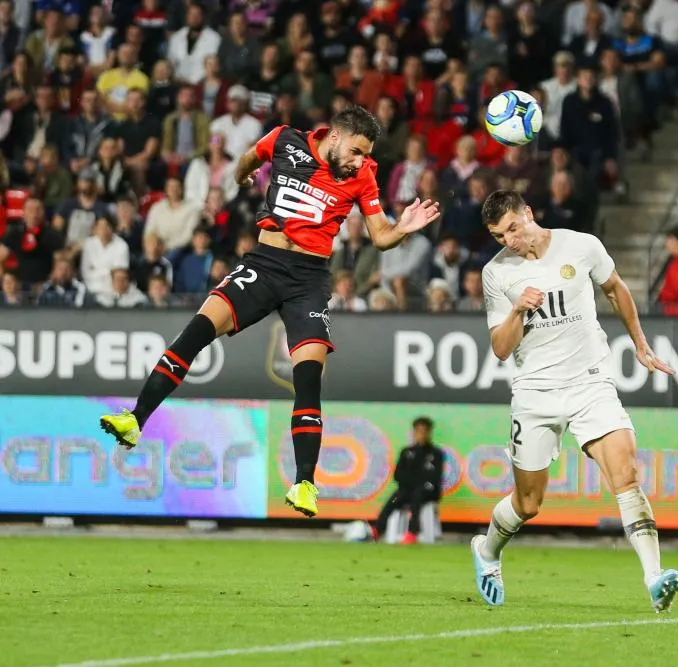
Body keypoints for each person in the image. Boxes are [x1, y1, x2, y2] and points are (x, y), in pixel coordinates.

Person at [100, 106, 441, 518]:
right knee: (195, 333)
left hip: (309, 281)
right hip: (263, 265)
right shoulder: (285, 140)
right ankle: (135, 420)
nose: (359, 161)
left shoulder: (362, 173)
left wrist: (402, 228)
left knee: (308, 378)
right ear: (334, 136)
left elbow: (380, 235)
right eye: (355, 151)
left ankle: (304, 484)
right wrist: (243, 172)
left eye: (365, 154)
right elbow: (252, 156)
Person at [471, 190, 678, 612]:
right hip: (535, 392)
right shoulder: (496, 274)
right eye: (499, 236)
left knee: (626, 472)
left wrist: (640, 344)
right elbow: (499, 347)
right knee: (528, 504)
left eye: (513, 227)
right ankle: (487, 549)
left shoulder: (581, 245)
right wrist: (517, 311)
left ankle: (655, 577)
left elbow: (615, 289)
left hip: (590, 383)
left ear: (528, 213)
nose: (509, 240)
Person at [373, 416, 445, 545]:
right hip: (408, 489)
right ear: (414, 433)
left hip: (428, 492)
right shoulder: (407, 452)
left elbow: (434, 477)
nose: (421, 435)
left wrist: (417, 483)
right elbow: (398, 475)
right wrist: (412, 483)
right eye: (418, 431)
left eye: (424, 431)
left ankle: (413, 531)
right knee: (395, 497)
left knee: (418, 495)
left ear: (429, 433)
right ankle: (378, 529)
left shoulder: (436, 453)